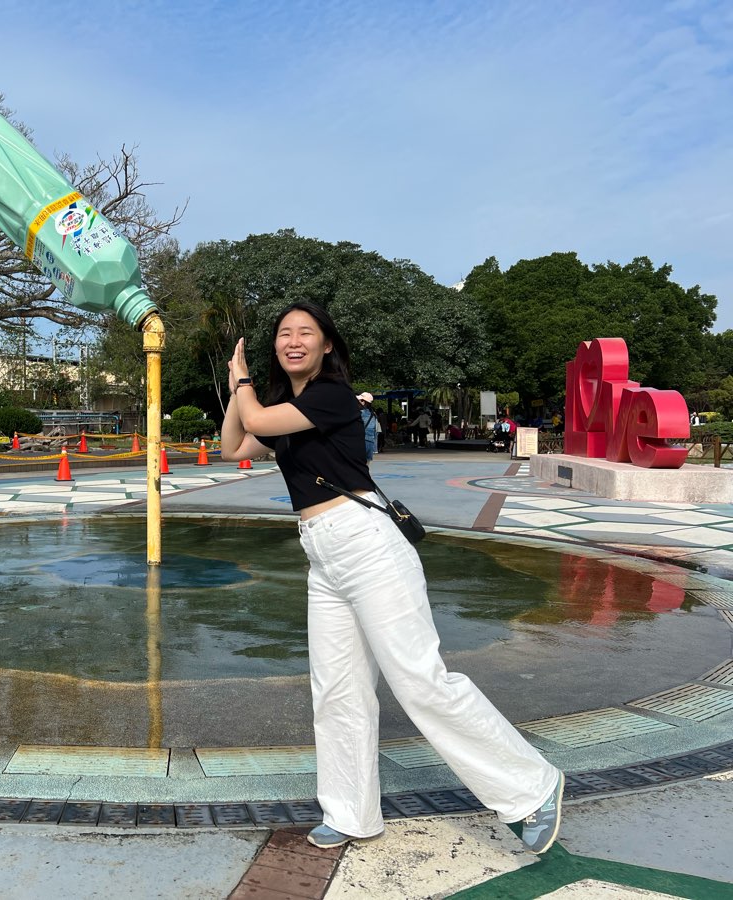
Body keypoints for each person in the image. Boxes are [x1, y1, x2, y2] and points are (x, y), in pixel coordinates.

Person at [220, 301, 563, 853]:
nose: (293, 341)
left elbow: (256, 420)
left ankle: (532, 787)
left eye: (305, 332)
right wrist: (241, 386)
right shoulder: (288, 406)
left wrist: (241, 381)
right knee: (337, 688)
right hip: (325, 556)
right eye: (284, 333)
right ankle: (351, 812)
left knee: (420, 680)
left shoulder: (330, 395)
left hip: (367, 544)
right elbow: (234, 444)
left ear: (327, 345)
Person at [357, 392, 379, 461]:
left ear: (363, 402)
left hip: (360, 441)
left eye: (359, 400)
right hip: (370, 442)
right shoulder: (374, 415)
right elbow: (376, 431)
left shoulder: (359, 413)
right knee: (366, 466)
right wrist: (375, 448)